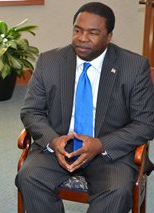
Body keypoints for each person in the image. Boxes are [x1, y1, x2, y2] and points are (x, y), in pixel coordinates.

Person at [15, 2, 154, 213]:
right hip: (59, 145)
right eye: (78, 30)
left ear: (109, 36)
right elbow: (31, 111)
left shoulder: (133, 67)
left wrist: (100, 144)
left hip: (107, 150)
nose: (82, 38)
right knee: (30, 177)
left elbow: (145, 123)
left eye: (93, 33)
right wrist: (53, 140)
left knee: (116, 190)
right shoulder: (49, 62)